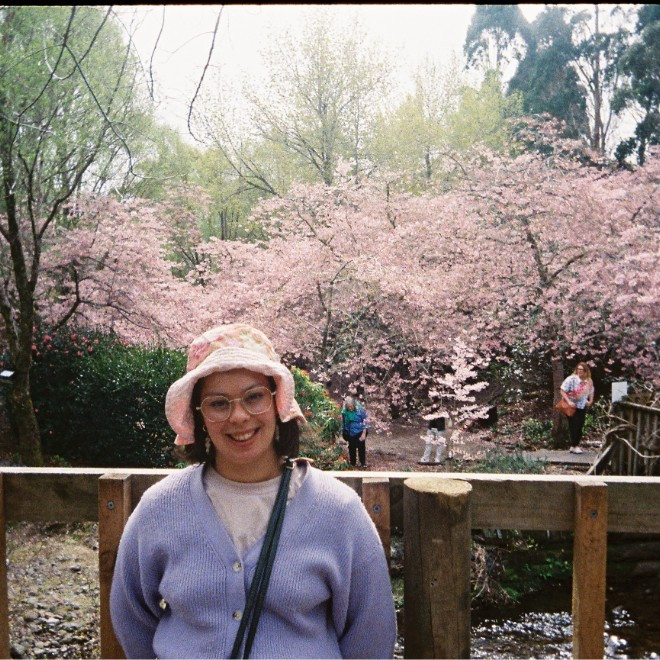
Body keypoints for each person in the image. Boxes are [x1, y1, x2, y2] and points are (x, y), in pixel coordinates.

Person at [110, 324, 396, 659]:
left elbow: (370, 632)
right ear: (200, 416)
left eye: (254, 397)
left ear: (277, 401)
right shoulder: (161, 507)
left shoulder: (337, 509)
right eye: (218, 403)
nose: (239, 416)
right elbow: (131, 615)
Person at [560, 362, 595, 454]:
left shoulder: (589, 381)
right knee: (574, 425)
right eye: (578, 369)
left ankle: (573, 445)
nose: (579, 371)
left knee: (580, 425)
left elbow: (591, 391)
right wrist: (569, 401)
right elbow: (562, 390)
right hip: (571, 406)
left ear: (586, 371)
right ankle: (575, 446)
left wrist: (590, 400)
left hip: (582, 405)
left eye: (581, 369)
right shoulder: (571, 379)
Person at [341, 395, 369, 468]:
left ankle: (363, 463)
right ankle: (352, 463)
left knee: (361, 447)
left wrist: (364, 433)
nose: (350, 409)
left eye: (351, 407)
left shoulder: (360, 410)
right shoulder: (344, 412)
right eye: (348, 407)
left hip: (360, 431)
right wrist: (344, 431)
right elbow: (343, 422)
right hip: (350, 432)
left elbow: (365, 421)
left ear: (354, 405)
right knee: (351, 448)